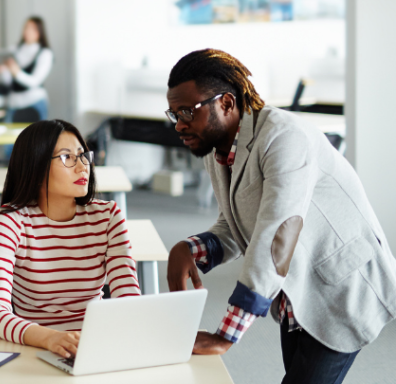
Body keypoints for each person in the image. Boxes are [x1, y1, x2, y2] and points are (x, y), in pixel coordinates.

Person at [164, 49, 396, 383]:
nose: (179, 124)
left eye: (187, 111)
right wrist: (191, 249)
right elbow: (235, 222)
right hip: (294, 291)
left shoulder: (284, 137)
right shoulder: (217, 149)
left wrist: (225, 335)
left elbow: (276, 236)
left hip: (342, 287)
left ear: (226, 103)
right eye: (174, 114)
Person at [0, 120, 140, 358]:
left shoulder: (108, 216)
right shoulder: (11, 221)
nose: (83, 166)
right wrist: (49, 338)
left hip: (93, 350)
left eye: (83, 155)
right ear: (35, 167)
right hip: (35, 350)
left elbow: (128, 301)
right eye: (67, 157)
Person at [0, 16, 54, 122]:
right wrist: (3, 70)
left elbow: (34, 81)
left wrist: (17, 73)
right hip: (14, 103)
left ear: (40, 32)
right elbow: (8, 82)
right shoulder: (14, 49)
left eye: (33, 29)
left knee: (35, 132)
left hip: (34, 102)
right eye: (26, 27)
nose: (28, 31)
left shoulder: (45, 53)